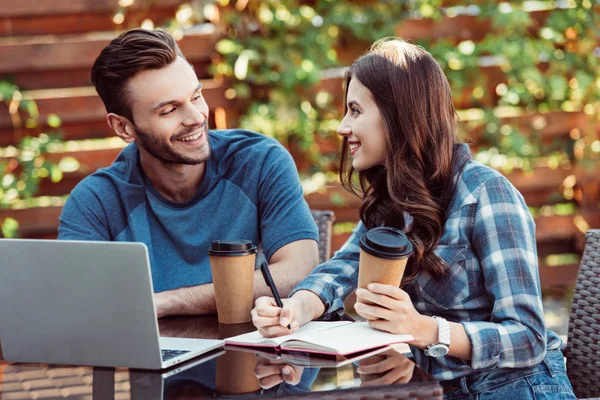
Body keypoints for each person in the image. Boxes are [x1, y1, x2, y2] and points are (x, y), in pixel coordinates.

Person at [251, 38, 576, 399]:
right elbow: (342, 268)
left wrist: (425, 330)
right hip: (438, 389)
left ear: (398, 116)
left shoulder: (485, 195)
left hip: (517, 388)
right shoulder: (395, 198)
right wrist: (295, 309)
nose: (343, 128)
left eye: (355, 111)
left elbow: (528, 337)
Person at [58, 29, 319, 318]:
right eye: (169, 110)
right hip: (152, 361)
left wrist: (168, 302)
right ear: (123, 127)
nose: (196, 118)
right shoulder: (96, 202)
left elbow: (299, 271)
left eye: (196, 97)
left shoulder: (259, 162)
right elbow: (78, 304)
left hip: (256, 359)